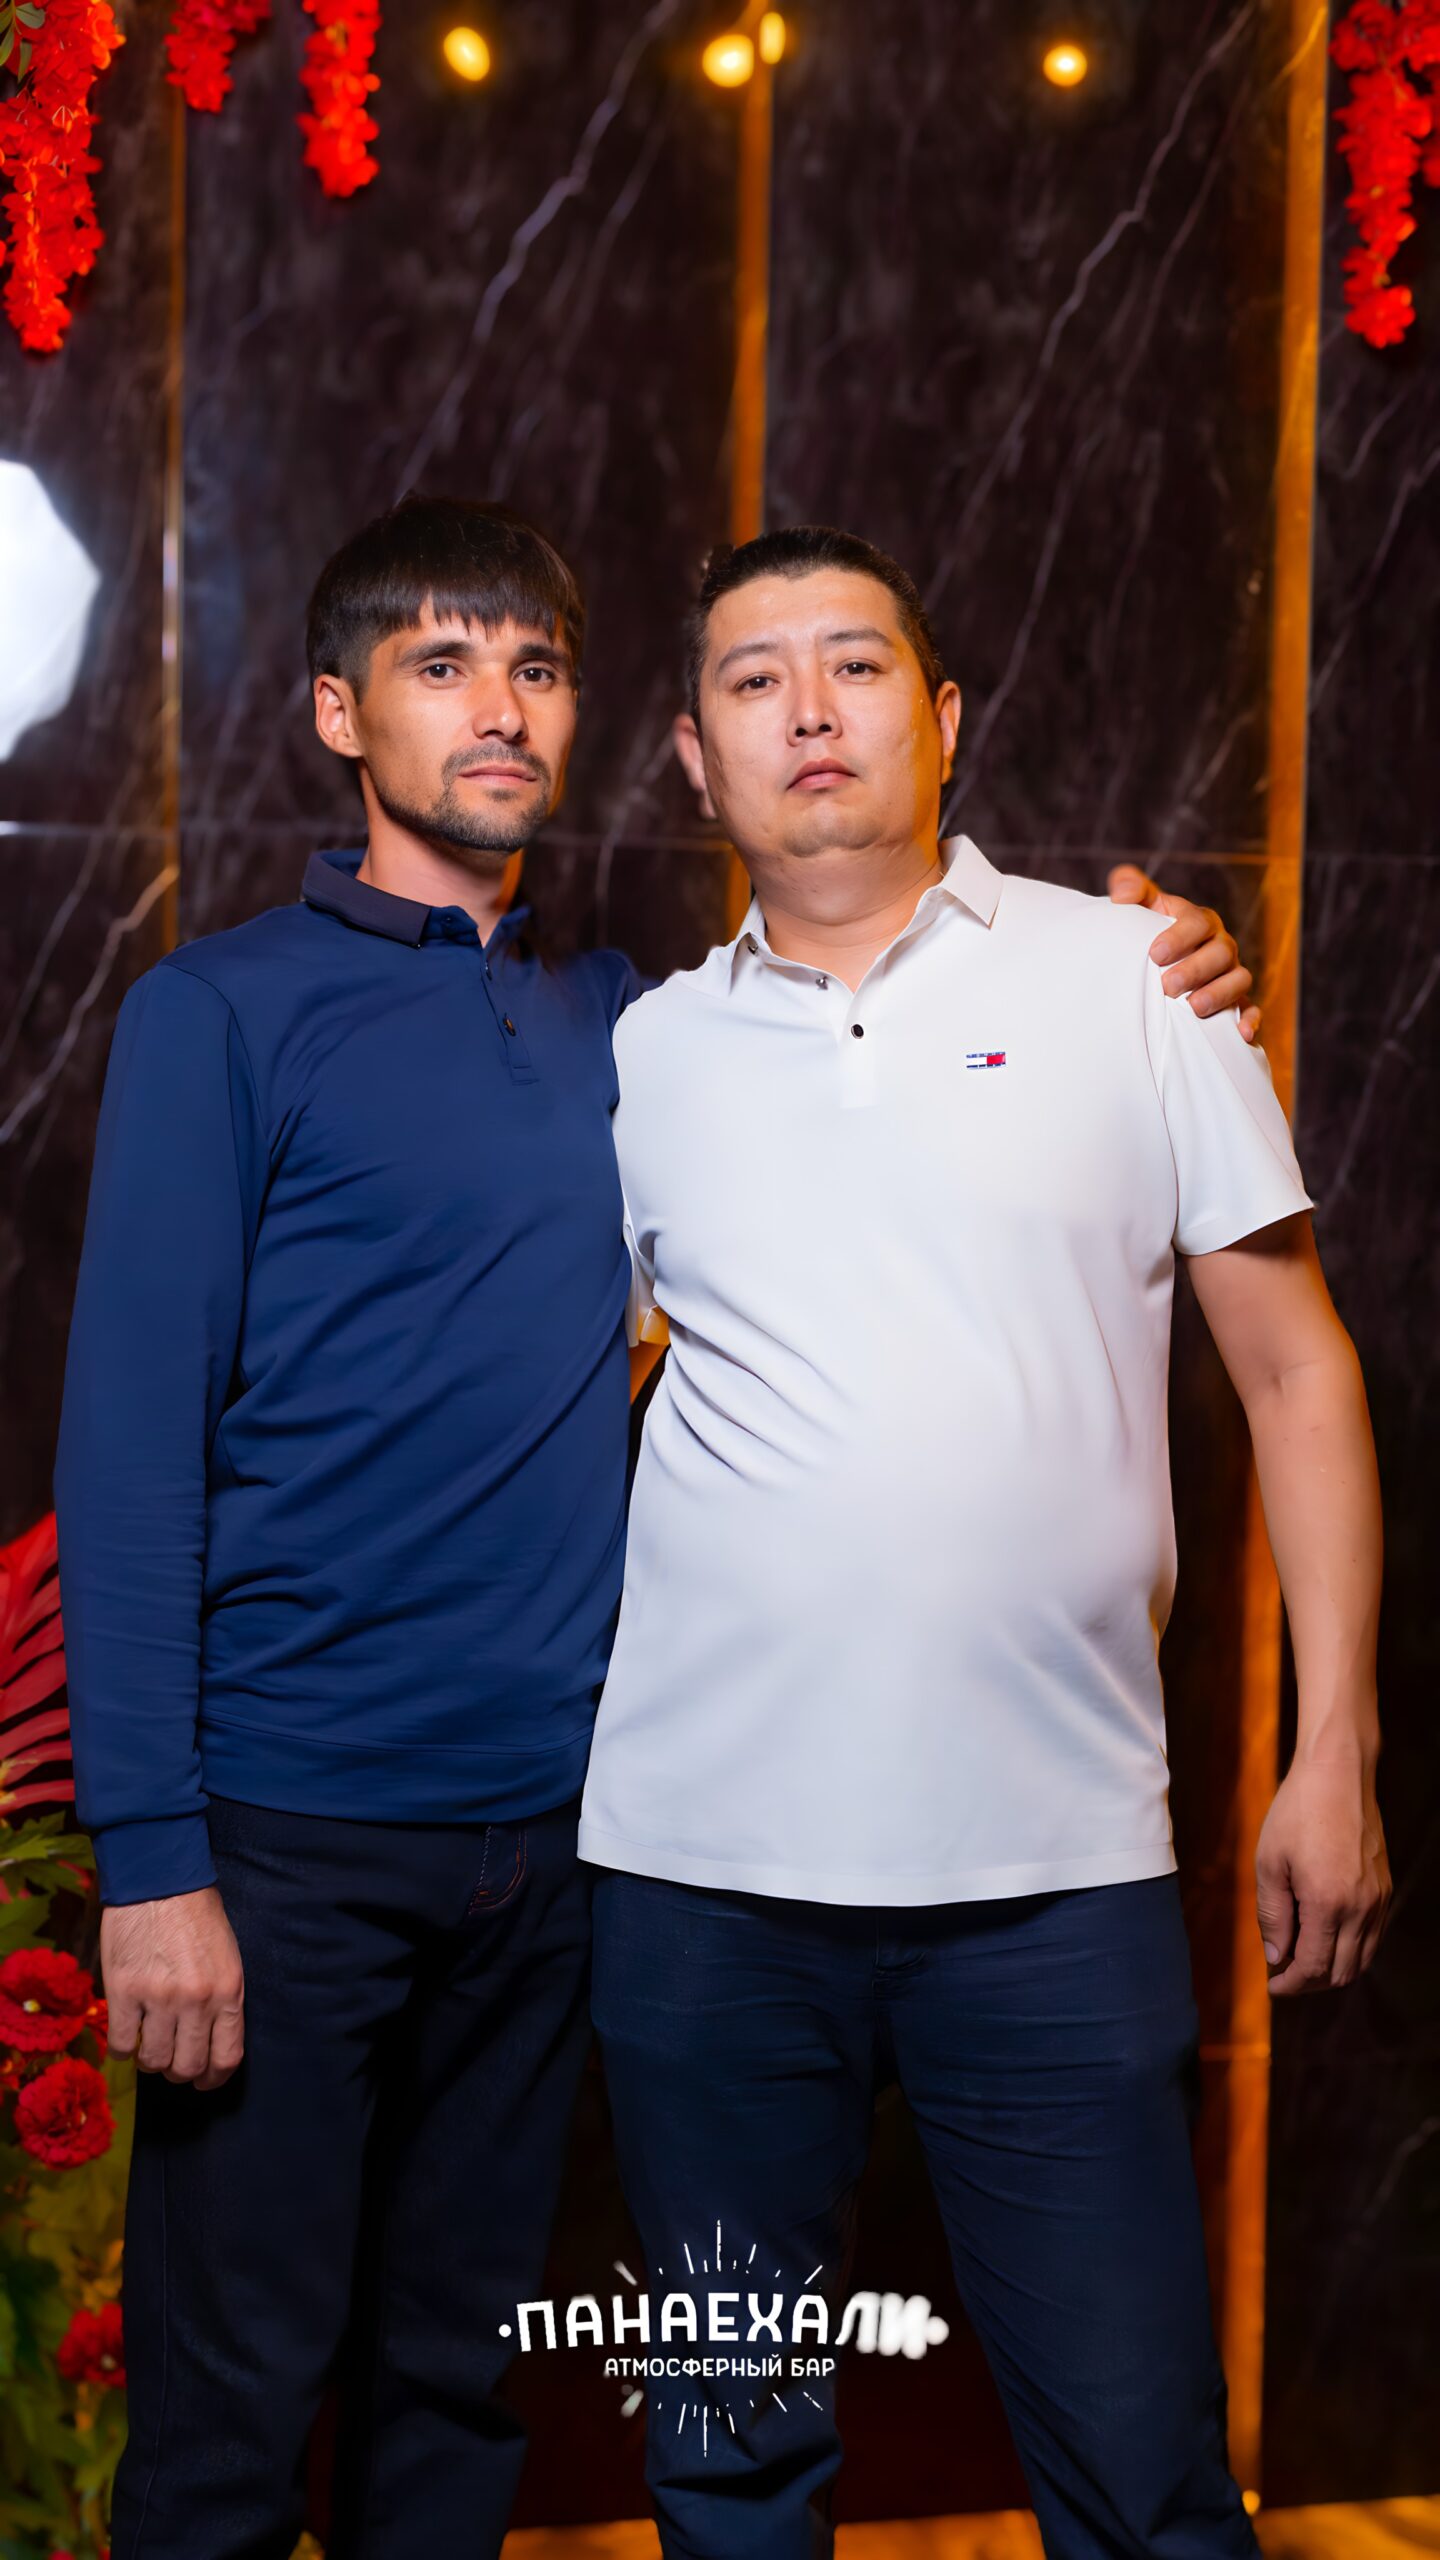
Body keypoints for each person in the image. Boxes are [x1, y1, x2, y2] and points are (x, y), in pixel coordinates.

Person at [55, 496, 1259, 2560]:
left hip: (557, 1845)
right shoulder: (219, 1012)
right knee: (230, 2418)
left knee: (458, 2389)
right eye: (440, 665)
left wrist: (1163, 958)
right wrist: (153, 1855)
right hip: (292, 1834)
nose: (498, 707)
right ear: (340, 713)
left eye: (534, 666)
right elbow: (126, 1450)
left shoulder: (629, 1026)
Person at [580, 525, 1392, 2560]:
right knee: (727, 2468)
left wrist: (1336, 1748)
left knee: (1142, 2480)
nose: (809, 711)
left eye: (855, 666)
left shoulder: (1137, 979)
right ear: (693, 754)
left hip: (1053, 1871)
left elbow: (1297, 1372)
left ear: (942, 718)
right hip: (698, 1883)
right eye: (755, 680)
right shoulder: (642, 1058)